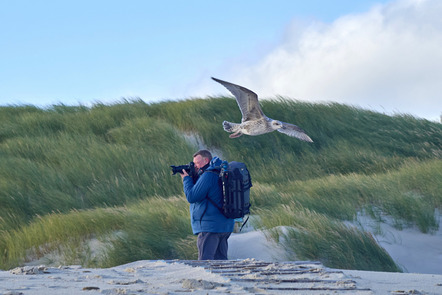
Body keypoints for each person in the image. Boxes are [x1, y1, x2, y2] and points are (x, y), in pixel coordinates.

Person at [180, 149, 234, 260]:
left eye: (197, 163)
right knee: (221, 262)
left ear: (206, 160)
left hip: (210, 227)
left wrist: (186, 179)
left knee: (205, 262)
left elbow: (192, 197)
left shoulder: (209, 175)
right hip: (225, 225)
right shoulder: (219, 172)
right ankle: (222, 278)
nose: (194, 166)